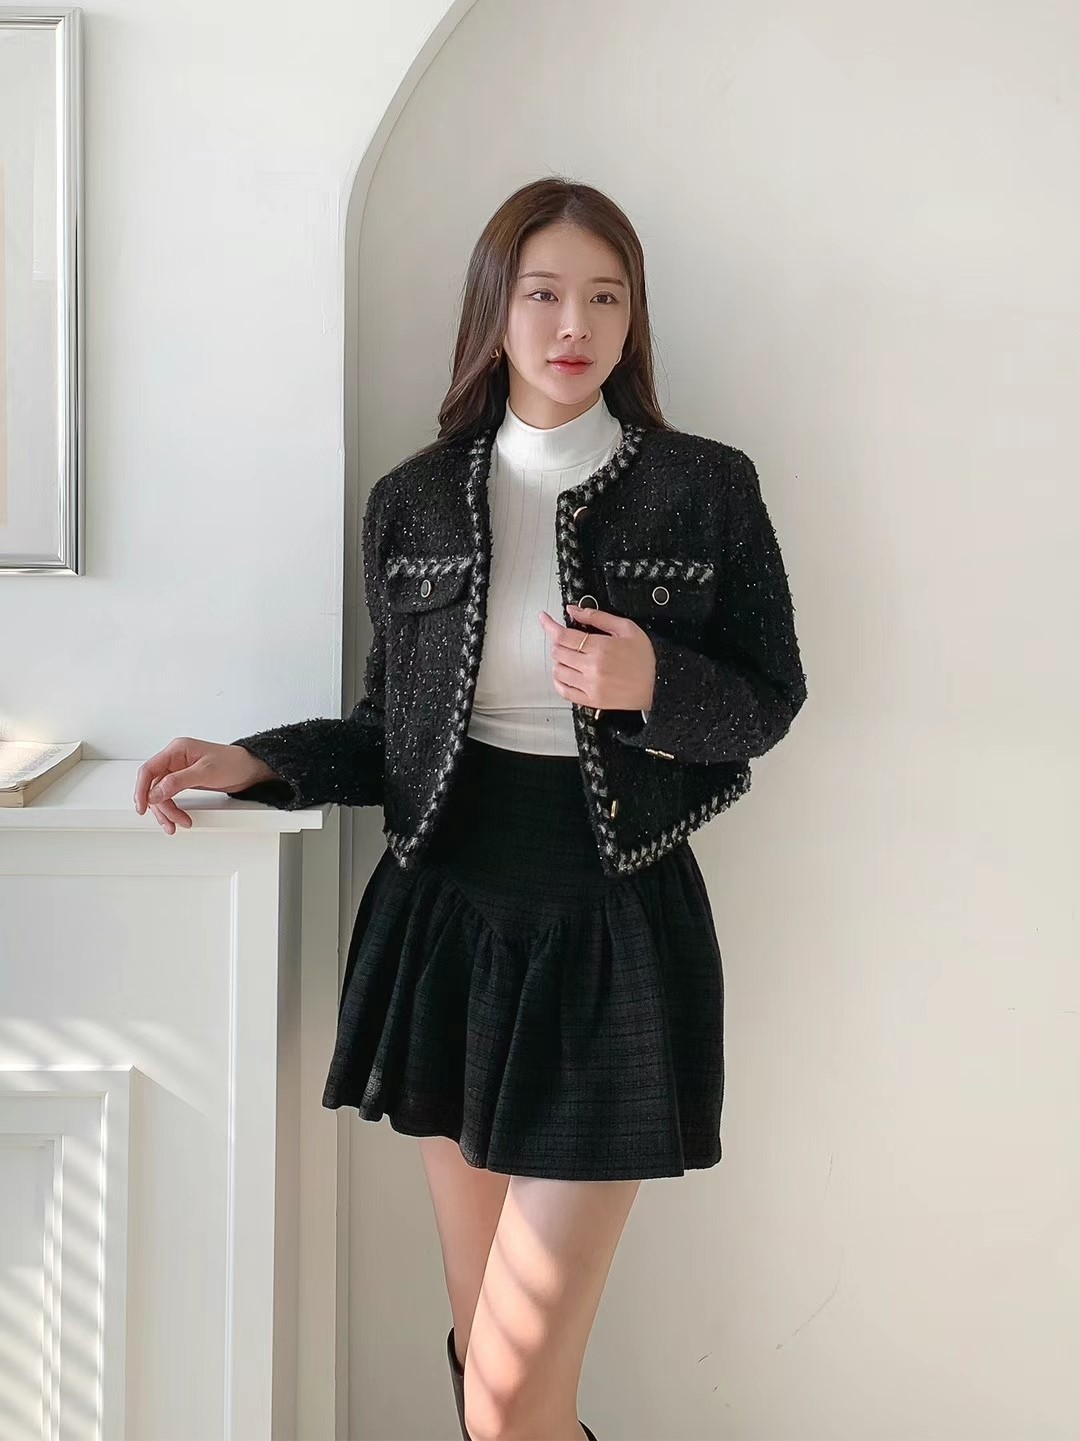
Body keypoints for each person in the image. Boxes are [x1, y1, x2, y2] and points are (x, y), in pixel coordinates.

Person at [134, 176, 807, 1441]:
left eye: (606, 297)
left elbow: (772, 700)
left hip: (613, 927)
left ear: (634, 320)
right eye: (543, 293)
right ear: (495, 311)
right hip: (447, 921)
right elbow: (390, 734)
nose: (575, 323)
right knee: (485, 1371)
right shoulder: (415, 500)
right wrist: (256, 761)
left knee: (506, 1394)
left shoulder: (704, 487)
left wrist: (653, 683)